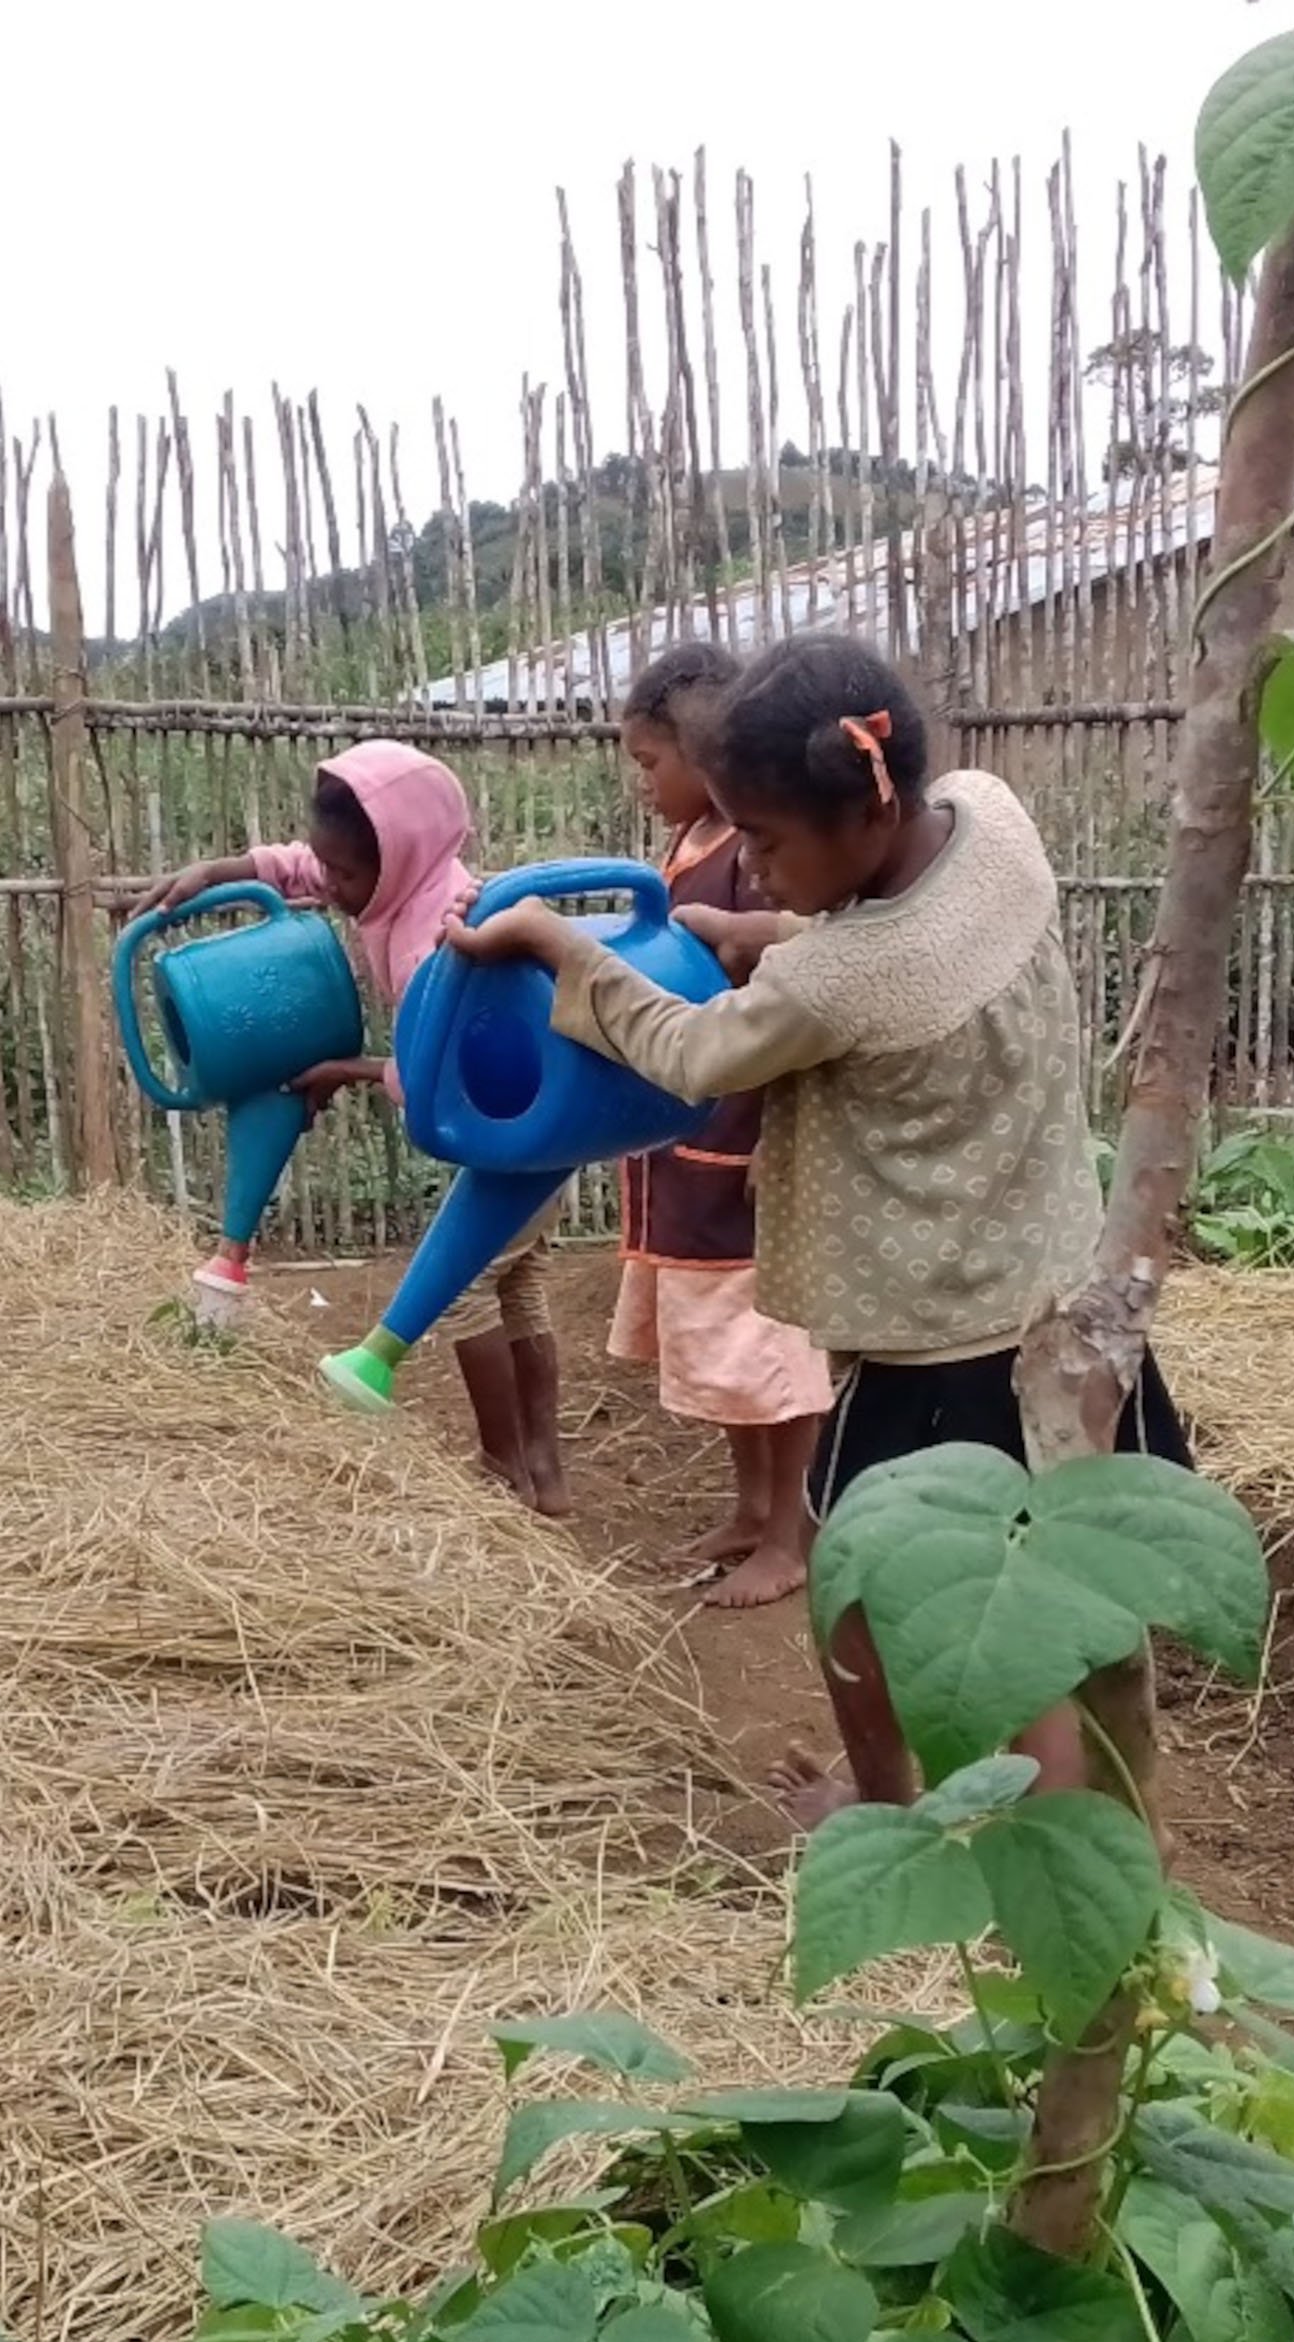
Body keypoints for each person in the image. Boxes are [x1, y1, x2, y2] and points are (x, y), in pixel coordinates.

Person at [437, 635, 1190, 1817]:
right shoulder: (990, 826)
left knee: (869, 1585)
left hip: (936, 1356)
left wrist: (559, 947)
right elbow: (911, 952)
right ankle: (1102, 1830)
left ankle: (887, 1805)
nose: (756, 866)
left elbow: (694, 1052)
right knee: (1062, 1579)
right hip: (1067, 1303)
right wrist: (778, 935)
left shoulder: (836, 983)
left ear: (863, 816)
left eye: (773, 843)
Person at [136, 742, 567, 1511]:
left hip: (507, 1122)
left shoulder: (429, 939)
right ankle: (544, 1471)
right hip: (541, 1122)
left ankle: (504, 1468)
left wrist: (345, 1070)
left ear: (398, 856)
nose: (330, 888)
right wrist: (216, 873)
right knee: (520, 1284)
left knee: (462, 1292)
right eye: (328, 869)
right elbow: (298, 865)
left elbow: (426, 1073)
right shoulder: (399, 882)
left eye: (347, 875)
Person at [607, 644, 834, 1608]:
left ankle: (793, 1534)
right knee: (727, 1359)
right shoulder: (691, 847)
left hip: (742, 1142)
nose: (644, 782)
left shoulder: (750, 858)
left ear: (704, 754)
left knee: (772, 1355)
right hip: (688, 1145)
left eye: (651, 762)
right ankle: (752, 1509)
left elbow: (793, 999)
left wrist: (776, 1137)